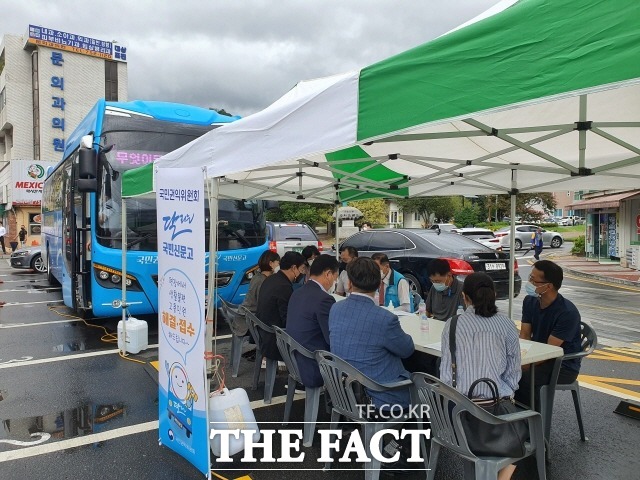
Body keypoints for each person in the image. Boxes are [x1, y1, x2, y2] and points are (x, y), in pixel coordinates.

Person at [440, 272, 522, 480]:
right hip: (495, 415)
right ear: (493, 294)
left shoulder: (453, 324)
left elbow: (446, 376)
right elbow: (513, 375)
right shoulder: (506, 325)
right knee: (526, 432)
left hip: (457, 418)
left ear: (465, 297)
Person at [329, 257, 415, 409]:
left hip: (343, 391)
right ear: (378, 285)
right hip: (381, 396)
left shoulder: (335, 309)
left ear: (349, 284)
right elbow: (407, 350)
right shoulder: (385, 318)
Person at [516, 260, 582, 409]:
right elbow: (525, 335)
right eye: (530, 278)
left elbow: (549, 351)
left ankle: (532, 425)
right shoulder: (530, 301)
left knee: (523, 378)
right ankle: (513, 416)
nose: (530, 283)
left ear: (548, 286)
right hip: (536, 356)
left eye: (534, 280)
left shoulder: (567, 313)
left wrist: (523, 365)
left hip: (562, 365)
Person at [286, 254, 339, 387]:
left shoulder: (297, 292)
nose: (334, 282)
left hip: (294, 360)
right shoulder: (324, 299)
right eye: (335, 278)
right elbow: (331, 339)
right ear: (328, 274)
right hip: (314, 366)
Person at [256, 251, 306, 361]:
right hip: (275, 342)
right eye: (301, 269)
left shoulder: (270, 279)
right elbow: (287, 320)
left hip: (264, 335)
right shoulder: (284, 286)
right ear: (294, 268)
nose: (302, 272)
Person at [235, 250, 280, 338]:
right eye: (278, 263)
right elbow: (264, 306)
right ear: (271, 263)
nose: (279, 266)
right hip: (249, 322)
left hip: (244, 318)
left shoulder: (257, 277)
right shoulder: (263, 281)